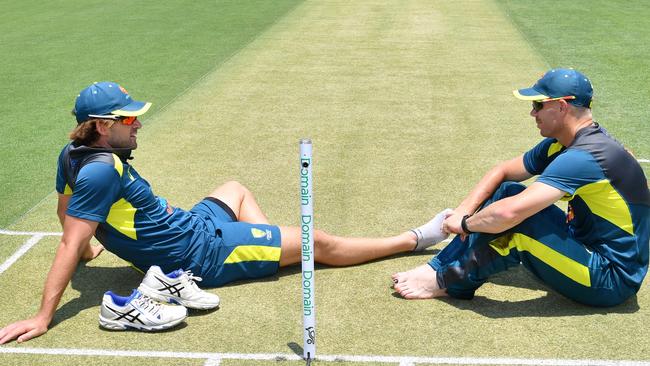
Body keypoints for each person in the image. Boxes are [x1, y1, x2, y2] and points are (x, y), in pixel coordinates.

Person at [0, 81, 448, 343]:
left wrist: (88, 252)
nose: (138, 124)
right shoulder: (99, 172)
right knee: (317, 241)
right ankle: (414, 239)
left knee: (234, 187)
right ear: (101, 126)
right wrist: (44, 317)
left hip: (188, 225)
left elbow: (65, 205)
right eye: (129, 119)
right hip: (197, 256)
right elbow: (69, 237)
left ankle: (269, 247)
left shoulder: (72, 153)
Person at [392, 68, 650, 306]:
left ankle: (449, 281)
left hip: (611, 279)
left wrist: (465, 224)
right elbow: (502, 172)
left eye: (538, 105)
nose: (532, 113)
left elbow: (509, 214)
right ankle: (438, 266)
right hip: (585, 245)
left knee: (520, 224)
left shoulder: (583, 157)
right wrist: (462, 211)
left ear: (561, 107)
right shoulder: (566, 143)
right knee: (508, 191)